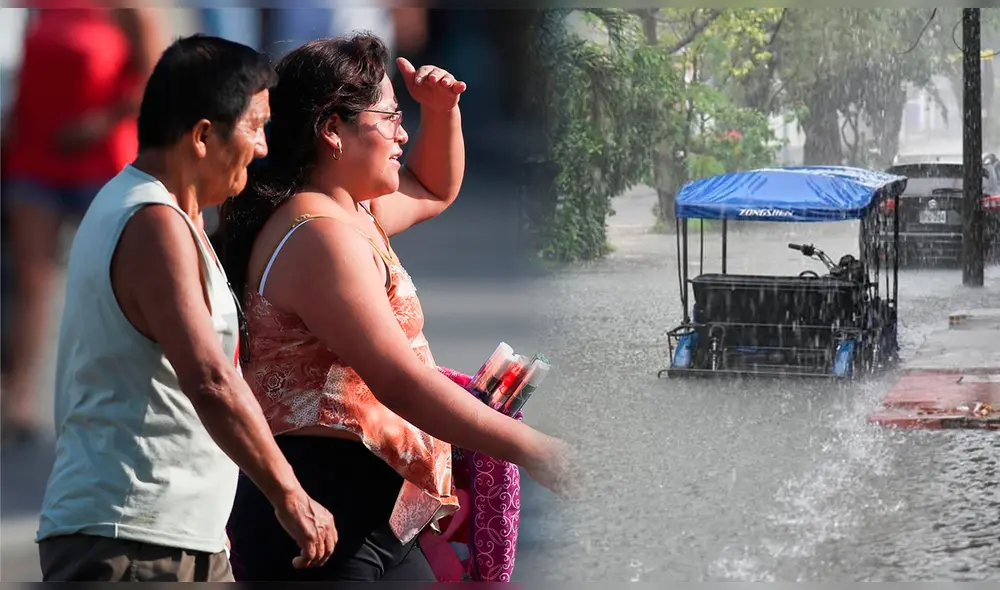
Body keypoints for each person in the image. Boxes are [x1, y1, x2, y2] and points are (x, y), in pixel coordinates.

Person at [213, 33, 573, 582]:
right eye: (392, 118)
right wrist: (534, 448)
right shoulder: (318, 237)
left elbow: (433, 187)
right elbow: (398, 380)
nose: (403, 134)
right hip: (323, 513)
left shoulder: (350, 208)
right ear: (332, 129)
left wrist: (441, 111)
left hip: (372, 515)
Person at [34, 34, 338, 582]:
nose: (264, 147)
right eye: (255, 126)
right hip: (135, 541)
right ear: (202, 136)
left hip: (164, 537)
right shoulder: (153, 223)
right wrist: (290, 495)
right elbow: (210, 379)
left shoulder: (161, 214)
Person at [0, 2, 163, 446]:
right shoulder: (42, 7)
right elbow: (24, 76)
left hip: (101, 159)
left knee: (107, 280)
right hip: (36, 157)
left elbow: (153, 83)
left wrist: (100, 123)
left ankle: (117, 395)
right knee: (31, 284)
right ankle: (19, 399)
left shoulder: (126, 10)